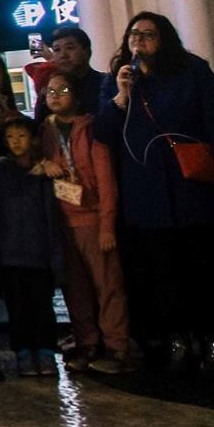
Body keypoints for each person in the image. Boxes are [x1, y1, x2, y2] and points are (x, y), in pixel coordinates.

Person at [93, 10, 214, 373]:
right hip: (146, 195)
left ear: (165, 38)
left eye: (148, 34)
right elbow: (102, 133)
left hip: (192, 189)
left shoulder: (192, 71)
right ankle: (175, 339)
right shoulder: (119, 78)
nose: (139, 40)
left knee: (204, 268)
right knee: (161, 272)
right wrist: (120, 96)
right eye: (134, 34)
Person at [36, 68, 128, 371]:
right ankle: (87, 341)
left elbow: (105, 180)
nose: (55, 96)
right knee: (74, 287)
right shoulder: (44, 131)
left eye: (62, 90)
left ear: (75, 95)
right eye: (50, 91)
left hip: (92, 218)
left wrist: (107, 224)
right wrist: (44, 163)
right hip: (61, 220)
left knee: (107, 284)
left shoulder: (91, 128)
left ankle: (117, 346)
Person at [0, 116, 62, 376]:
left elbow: (51, 213)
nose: (16, 142)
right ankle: (24, 351)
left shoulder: (42, 171)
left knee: (42, 306)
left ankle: (46, 351)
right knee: (17, 307)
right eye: (10, 137)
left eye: (22, 135)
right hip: (9, 254)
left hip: (38, 253)